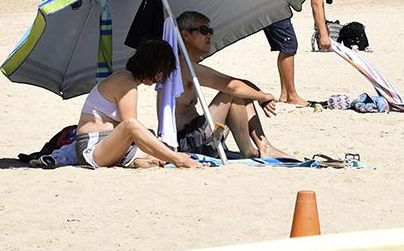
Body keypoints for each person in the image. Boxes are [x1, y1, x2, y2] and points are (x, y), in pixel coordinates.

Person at [172, 11, 285, 158]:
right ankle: (248, 151)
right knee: (232, 94)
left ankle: (264, 146)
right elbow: (232, 87)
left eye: (210, 31)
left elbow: (239, 84)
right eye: (203, 30)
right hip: (188, 143)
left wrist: (259, 95)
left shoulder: (189, 64)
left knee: (243, 93)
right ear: (185, 35)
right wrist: (262, 96)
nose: (209, 36)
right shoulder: (183, 66)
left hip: (198, 135)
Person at [73, 40, 200, 169]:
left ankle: (144, 160)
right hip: (93, 149)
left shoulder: (127, 80)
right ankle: (177, 160)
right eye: (159, 71)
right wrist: (172, 156)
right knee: (132, 125)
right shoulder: (126, 83)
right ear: (147, 66)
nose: (160, 76)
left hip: (113, 147)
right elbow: (129, 126)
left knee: (153, 142)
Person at [262, 0, 360, 104]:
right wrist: (323, 35)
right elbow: (316, 3)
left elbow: (319, 4)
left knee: (286, 46)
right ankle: (292, 96)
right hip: (274, 3)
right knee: (289, 45)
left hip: (271, 1)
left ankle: (285, 95)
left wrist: (324, 29)